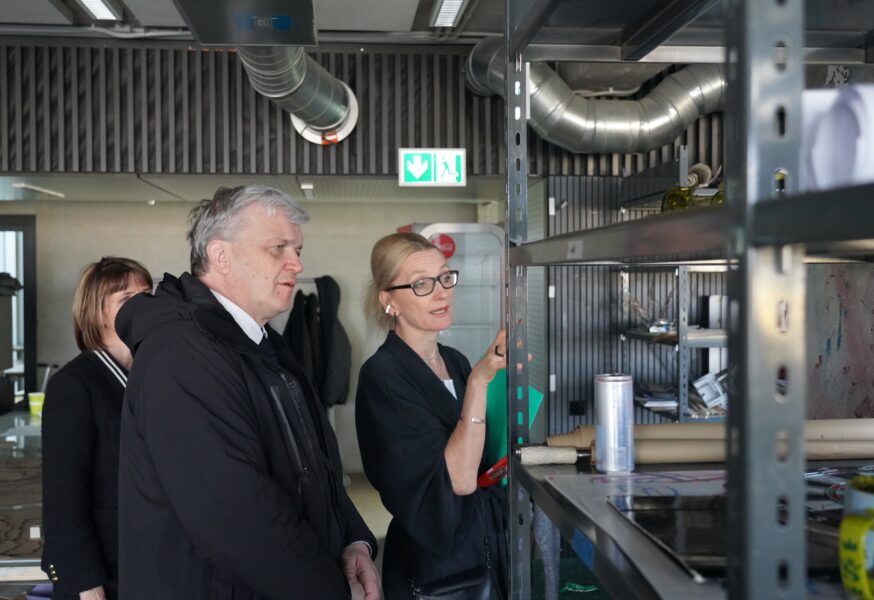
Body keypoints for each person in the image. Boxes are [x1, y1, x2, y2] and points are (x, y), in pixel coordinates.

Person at [115, 185, 380, 600]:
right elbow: (240, 521)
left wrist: (353, 540)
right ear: (220, 255)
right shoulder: (181, 356)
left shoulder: (262, 342)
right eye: (278, 248)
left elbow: (317, 463)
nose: (297, 263)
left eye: (297, 249)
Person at [356, 232, 508, 599]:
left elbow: (481, 456)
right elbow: (459, 480)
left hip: (485, 543)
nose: (441, 293)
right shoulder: (383, 377)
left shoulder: (454, 360)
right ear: (389, 301)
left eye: (444, 277)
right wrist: (480, 382)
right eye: (421, 284)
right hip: (438, 567)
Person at [41, 257, 153, 600]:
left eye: (147, 295)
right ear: (97, 312)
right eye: (126, 298)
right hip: (102, 576)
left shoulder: (151, 375)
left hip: (148, 564)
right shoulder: (73, 385)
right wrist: (86, 585)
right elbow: (63, 497)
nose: (143, 306)